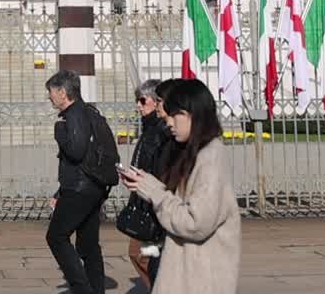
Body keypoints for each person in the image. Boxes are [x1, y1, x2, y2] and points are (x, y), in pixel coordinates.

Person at [119, 78, 242, 294]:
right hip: (187, 275)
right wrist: (147, 184)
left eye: (175, 115)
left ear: (192, 115)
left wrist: (155, 192)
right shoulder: (193, 153)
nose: (168, 122)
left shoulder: (210, 157)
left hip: (199, 281)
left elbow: (194, 223)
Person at [45, 69, 112, 294]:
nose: (50, 97)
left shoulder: (73, 115)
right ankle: (96, 288)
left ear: (63, 92)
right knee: (88, 245)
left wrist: (59, 132)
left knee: (56, 237)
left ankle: (83, 289)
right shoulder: (90, 111)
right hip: (93, 186)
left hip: (79, 189)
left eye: (52, 92)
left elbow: (76, 151)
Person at [119, 79, 172, 291]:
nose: (138, 105)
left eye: (143, 100)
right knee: (142, 254)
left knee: (141, 253)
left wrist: (147, 184)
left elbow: (160, 165)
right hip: (144, 198)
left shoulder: (160, 129)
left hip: (153, 201)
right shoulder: (150, 126)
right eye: (137, 101)